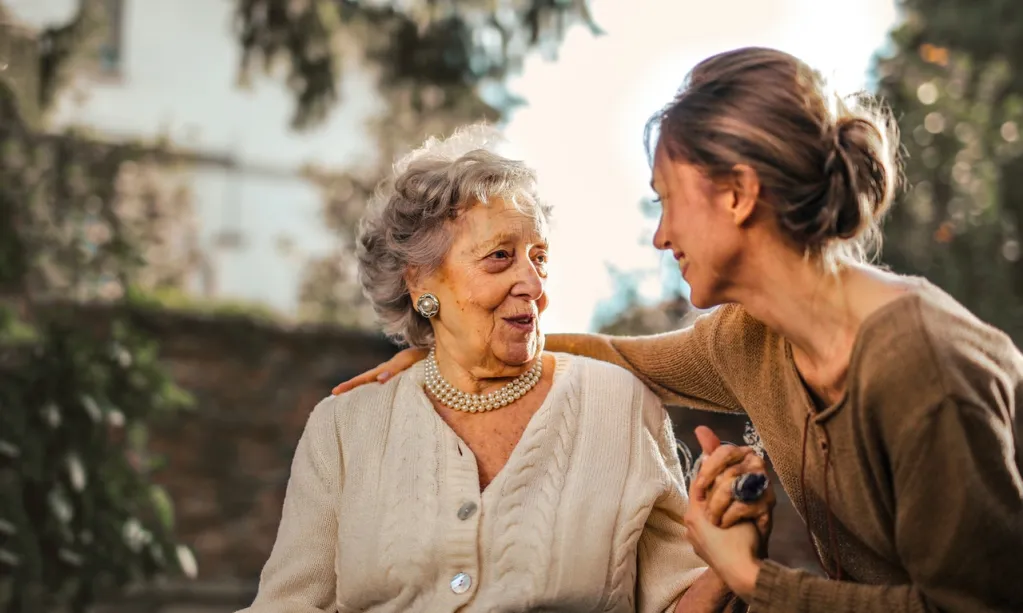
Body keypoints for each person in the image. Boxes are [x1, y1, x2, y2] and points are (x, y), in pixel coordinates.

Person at [332, 47, 1023, 612]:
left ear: (737, 193)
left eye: (666, 201)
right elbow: (614, 355)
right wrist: (448, 351)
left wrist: (753, 579)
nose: (660, 236)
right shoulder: (750, 339)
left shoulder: (920, 365)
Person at [240, 126, 758, 613]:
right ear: (421, 284)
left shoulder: (618, 405)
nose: (533, 284)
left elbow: (676, 600)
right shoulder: (344, 427)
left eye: (539, 257)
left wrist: (728, 565)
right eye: (499, 257)